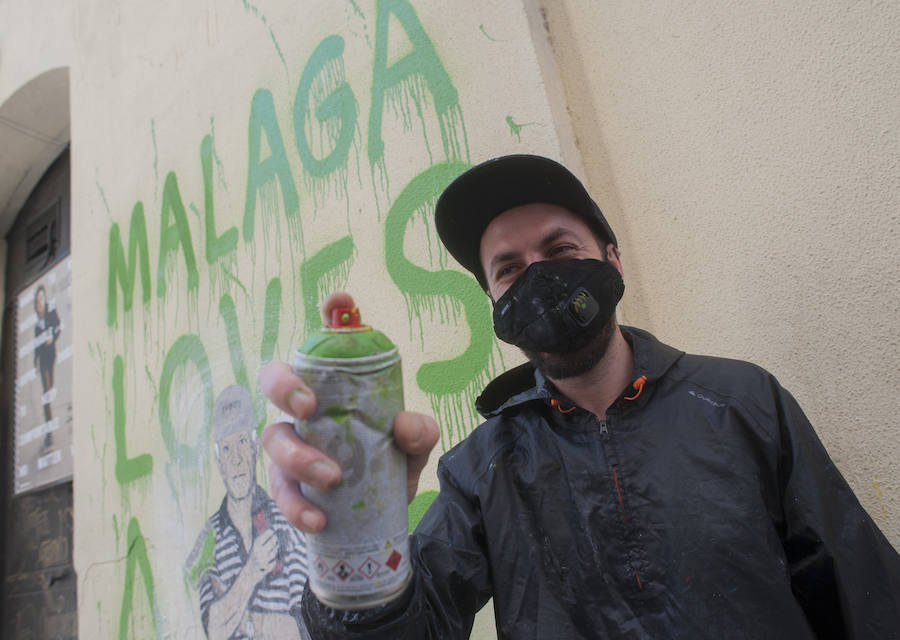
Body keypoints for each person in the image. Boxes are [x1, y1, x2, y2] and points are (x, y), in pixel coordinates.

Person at [260, 155, 900, 639]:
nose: (536, 276)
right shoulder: (482, 469)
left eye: (560, 249)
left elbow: (859, 590)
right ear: (495, 304)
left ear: (611, 262)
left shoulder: (741, 401)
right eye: (508, 268)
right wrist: (354, 535)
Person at [187, 384, 311, 640]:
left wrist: (242, 620)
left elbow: (304, 628)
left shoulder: (288, 522)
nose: (236, 459)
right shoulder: (207, 540)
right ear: (218, 460)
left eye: (243, 441)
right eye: (227, 448)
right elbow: (213, 628)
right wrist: (252, 570)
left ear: (255, 448)